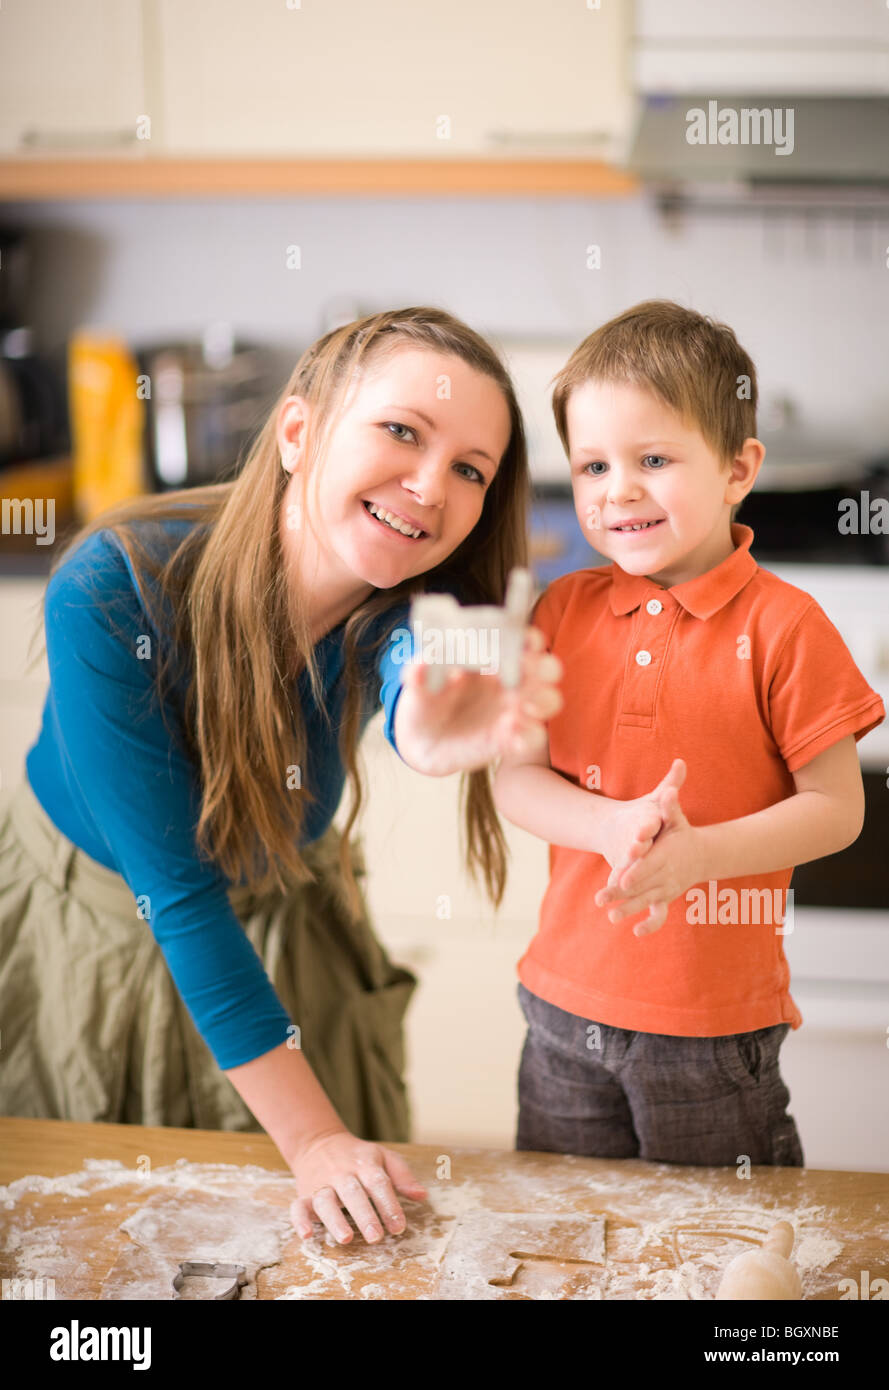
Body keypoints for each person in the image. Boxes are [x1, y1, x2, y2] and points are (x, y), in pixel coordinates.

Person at [0, 306, 562, 1246]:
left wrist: (421, 734)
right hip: (93, 937)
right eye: (400, 432)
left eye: (470, 470)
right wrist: (312, 1140)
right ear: (298, 432)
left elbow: (408, 673)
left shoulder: (397, 612)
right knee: (106, 1240)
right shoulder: (110, 588)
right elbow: (176, 897)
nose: (430, 485)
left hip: (285, 922)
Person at [493, 300, 885, 1167]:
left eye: (653, 459)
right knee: (563, 1238)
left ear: (737, 468)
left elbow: (835, 810)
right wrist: (606, 824)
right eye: (591, 465)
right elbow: (511, 777)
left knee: (719, 1248)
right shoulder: (559, 611)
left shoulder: (786, 626)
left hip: (711, 1032)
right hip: (560, 1011)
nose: (617, 489)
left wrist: (697, 853)